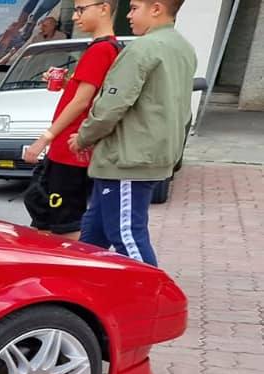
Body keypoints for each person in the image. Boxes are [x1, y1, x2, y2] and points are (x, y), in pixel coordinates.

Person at [71, 0, 196, 267]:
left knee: (127, 235)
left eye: (134, 8)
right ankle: (84, 291)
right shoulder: (183, 48)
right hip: (150, 153)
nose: (128, 15)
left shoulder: (142, 49)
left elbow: (110, 106)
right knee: (92, 238)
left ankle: (153, 298)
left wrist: (84, 136)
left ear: (156, 8)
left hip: (128, 159)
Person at [21, 0, 121, 239]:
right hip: (67, 148)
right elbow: (87, 92)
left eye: (81, 10)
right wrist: (66, 83)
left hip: (70, 149)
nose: (76, 17)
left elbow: (81, 101)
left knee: (64, 220)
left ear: (104, 8)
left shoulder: (102, 49)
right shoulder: (104, 47)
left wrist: (44, 138)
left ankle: (66, 269)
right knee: (43, 210)